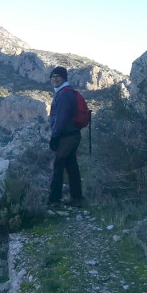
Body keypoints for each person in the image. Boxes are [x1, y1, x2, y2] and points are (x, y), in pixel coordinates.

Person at [47, 66, 83, 206]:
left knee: (57, 165)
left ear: (64, 78)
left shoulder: (64, 94)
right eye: (52, 76)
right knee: (71, 165)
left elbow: (61, 118)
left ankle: (54, 200)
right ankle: (76, 198)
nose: (55, 79)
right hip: (72, 134)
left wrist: (54, 136)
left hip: (66, 136)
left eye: (58, 76)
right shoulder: (65, 92)